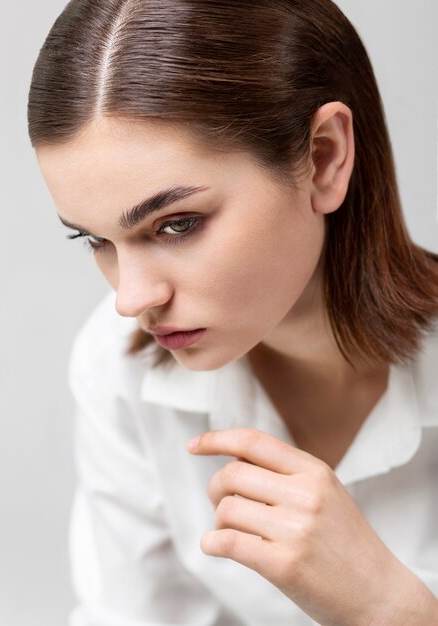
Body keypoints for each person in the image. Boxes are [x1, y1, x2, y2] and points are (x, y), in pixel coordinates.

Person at [28, 0, 438, 624]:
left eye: (178, 224)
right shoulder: (118, 368)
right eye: (96, 240)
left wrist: (391, 608)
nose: (131, 299)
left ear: (324, 157)